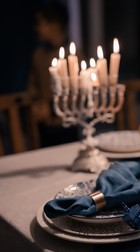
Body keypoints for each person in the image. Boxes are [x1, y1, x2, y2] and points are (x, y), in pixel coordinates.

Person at [27, 1, 79, 146]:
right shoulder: (38, 55)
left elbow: (78, 91)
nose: (37, 28)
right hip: (44, 124)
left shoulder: (74, 56)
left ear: (55, 25)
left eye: (41, 23)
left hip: (66, 123)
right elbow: (32, 85)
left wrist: (52, 108)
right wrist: (37, 103)